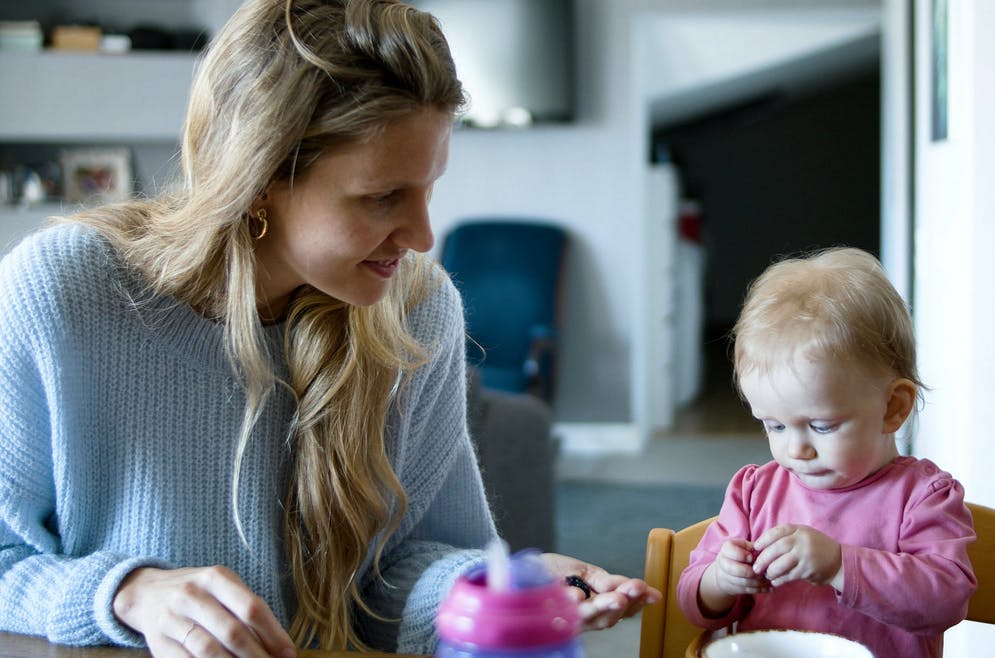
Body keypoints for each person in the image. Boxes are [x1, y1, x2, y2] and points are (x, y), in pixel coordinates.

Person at [0, 1, 660, 656]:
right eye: (381, 197)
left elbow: (397, 575)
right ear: (258, 177)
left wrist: (492, 588)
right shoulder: (65, 293)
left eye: (428, 189)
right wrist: (127, 593)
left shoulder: (417, 309)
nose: (423, 236)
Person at [676, 247, 976, 658]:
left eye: (822, 426)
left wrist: (839, 565)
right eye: (774, 425)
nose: (796, 449)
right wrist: (722, 580)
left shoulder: (924, 498)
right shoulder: (754, 493)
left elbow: (945, 601)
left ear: (893, 407)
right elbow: (695, 603)